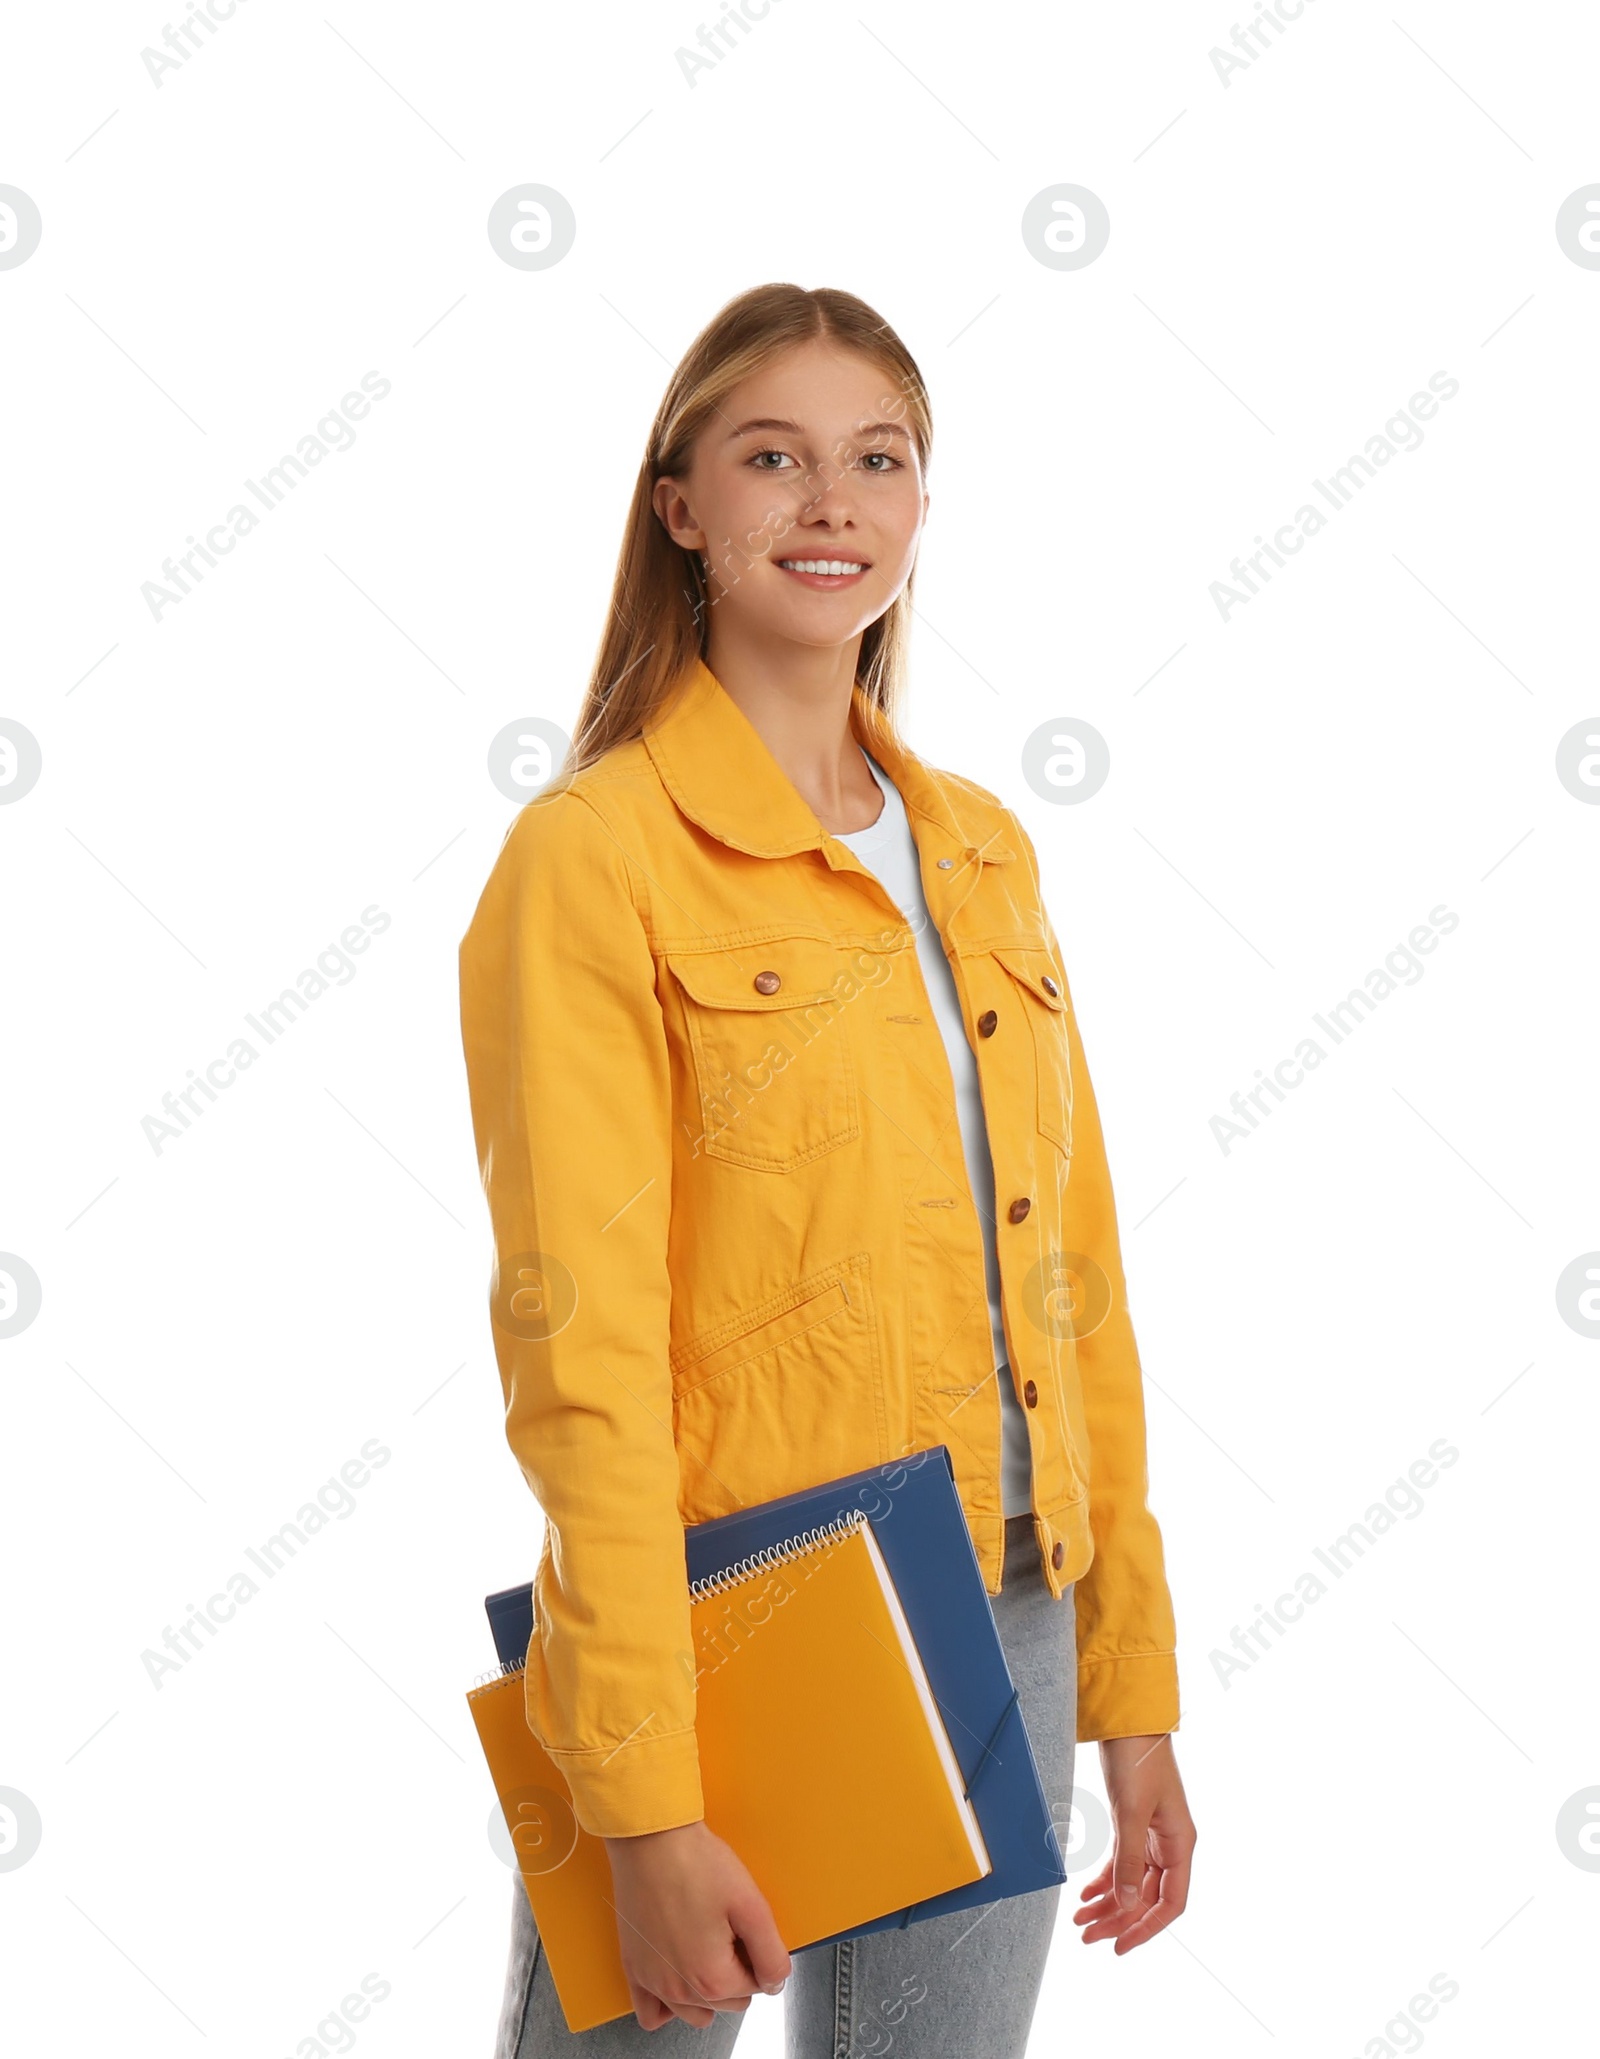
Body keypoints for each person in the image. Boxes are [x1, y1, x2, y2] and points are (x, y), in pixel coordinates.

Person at [458, 283, 1196, 2055]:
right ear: (681, 504)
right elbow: (586, 1357)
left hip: (1008, 1596)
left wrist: (1130, 1685)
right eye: (771, 456)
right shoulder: (594, 861)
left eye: (879, 459)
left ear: (921, 512)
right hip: (725, 1629)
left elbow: (1078, 1284)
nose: (832, 502)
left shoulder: (982, 852)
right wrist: (640, 1796)